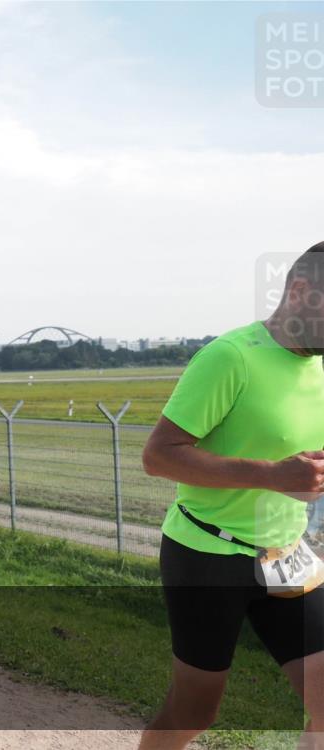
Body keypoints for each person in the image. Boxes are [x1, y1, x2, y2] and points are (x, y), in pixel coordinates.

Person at [139, 243, 324, 750]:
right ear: (302, 292)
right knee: (194, 711)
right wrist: (272, 474)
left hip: (288, 554)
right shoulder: (231, 357)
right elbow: (158, 456)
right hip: (207, 554)